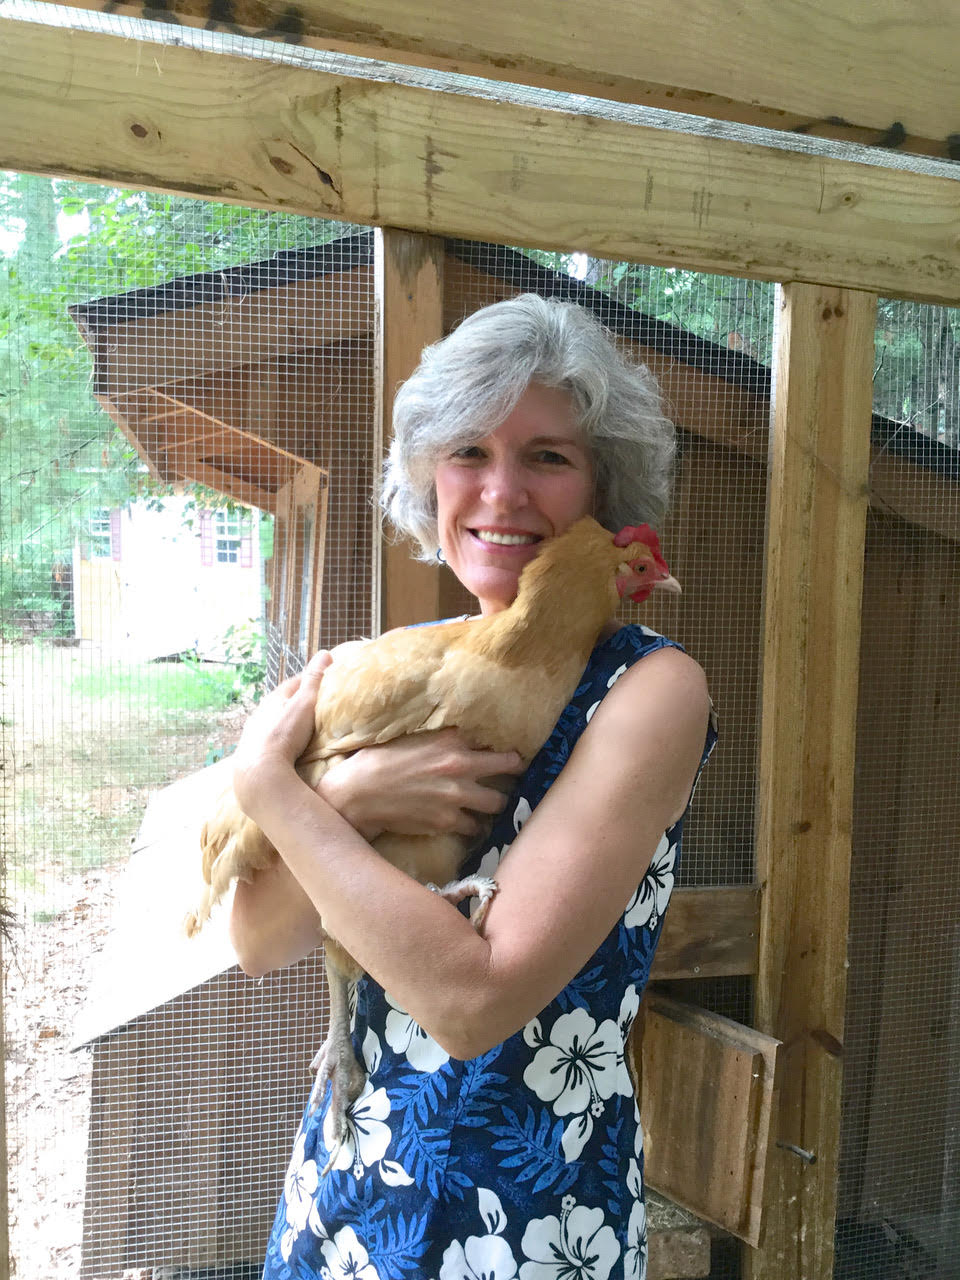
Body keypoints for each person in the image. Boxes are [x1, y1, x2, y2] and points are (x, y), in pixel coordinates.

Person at [228, 294, 717, 1280]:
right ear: (430, 479)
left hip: (527, 1224)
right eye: (469, 453)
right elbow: (261, 938)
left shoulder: (649, 690)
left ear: (598, 485)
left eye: (548, 456)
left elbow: (472, 998)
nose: (502, 492)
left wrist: (275, 790)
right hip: (346, 1199)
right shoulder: (385, 666)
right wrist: (351, 797)